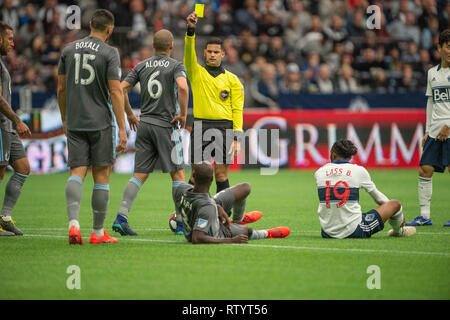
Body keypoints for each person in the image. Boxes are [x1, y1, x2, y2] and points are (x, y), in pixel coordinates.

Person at [57, 9, 127, 245]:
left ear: (89, 24)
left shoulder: (68, 49)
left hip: (75, 121)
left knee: (77, 172)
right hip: (100, 122)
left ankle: (73, 225)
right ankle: (97, 233)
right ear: (109, 29)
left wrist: (65, 118)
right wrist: (123, 128)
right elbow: (116, 91)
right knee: (101, 176)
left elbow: (61, 89)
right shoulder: (110, 52)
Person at [111, 29, 189, 236]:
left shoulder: (141, 65)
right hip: (166, 125)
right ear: (171, 46)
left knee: (140, 174)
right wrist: (183, 114)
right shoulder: (176, 65)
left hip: (144, 124)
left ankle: (121, 217)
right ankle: (181, 223)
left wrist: (130, 115)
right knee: (178, 174)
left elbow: (119, 89)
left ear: (153, 46)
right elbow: (183, 87)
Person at [184, 12, 250, 208]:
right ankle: (184, 212)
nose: (212, 55)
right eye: (209, 51)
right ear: (204, 53)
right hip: (201, 126)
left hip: (224, 127)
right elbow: (188, 54)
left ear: (223, 54)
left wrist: (237, 138)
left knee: (221, 173)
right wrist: (191, 31)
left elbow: (237, 110)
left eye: (216, 52)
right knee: (196, 174)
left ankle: (223, 215)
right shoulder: (196, 73)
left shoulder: (233, 80)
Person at [314, 140, 416, 239]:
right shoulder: (359, 171)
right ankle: (399, 231)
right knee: (395, 204)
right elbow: (379, 199)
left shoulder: (319, 172)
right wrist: (398, 215)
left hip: (327, 232)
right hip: (354, 230)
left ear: (333, 154)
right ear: (350, 156)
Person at [173, 161, 290, 244]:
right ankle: (267, 233)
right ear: (211, 179)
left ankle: (239, 220)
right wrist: (232, 241)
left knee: (245, 188)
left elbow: (198, 195)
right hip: (215, 232)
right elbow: (197, 238)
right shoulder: (207, 207)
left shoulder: (182, 189)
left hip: (207, 206)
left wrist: (215, 206)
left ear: (193, 175)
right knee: (248, 231)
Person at [406, 29, 450, 227]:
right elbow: (431, 103)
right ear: (439, 47)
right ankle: (425, 216)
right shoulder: (432, 73)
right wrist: (427, 130)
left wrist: (448, 126)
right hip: (434, 130)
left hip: (449, 129)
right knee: (425, 170)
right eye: (448, 46)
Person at [0, 21, 32, 236]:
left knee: (23, 167)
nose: (13, 43)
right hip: (2, 125)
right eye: (9, 38)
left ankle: (4, 218)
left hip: (8, 126)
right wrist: (16, 119)